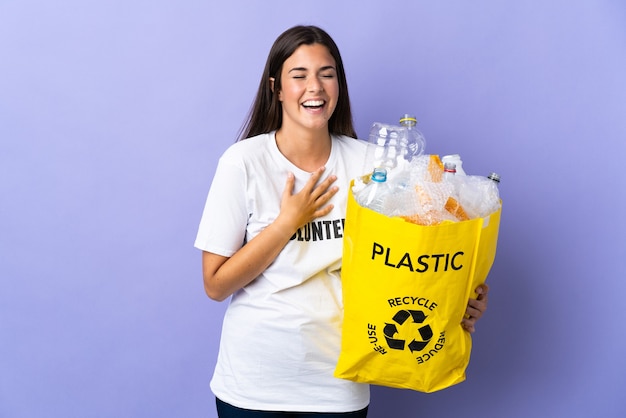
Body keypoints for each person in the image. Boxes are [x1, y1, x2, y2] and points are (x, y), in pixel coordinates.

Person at [194, 25, 489, 418]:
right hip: (254, 382)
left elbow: (408, 261)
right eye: (298, 76)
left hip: (338, 382)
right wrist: (287, 223)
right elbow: (215, 284)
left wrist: (455, 299)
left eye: (326, 74)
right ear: (276, 88)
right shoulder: (244, 163)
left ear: (339, 84)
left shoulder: (373, 166)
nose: (314, 87)